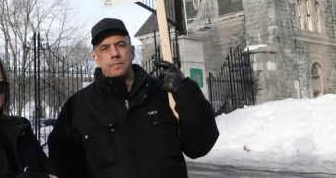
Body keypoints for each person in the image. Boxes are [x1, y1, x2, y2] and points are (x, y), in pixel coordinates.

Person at [47, 18, 219, 178]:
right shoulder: (78, 106)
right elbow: (62, 168)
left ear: (132, 51)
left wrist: (185, 91)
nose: (114, 53)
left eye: (120, 45)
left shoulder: (163, 93)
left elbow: (200, 146)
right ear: (96, 59)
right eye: (105, 48)